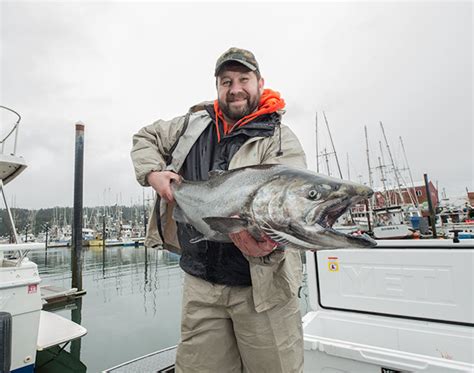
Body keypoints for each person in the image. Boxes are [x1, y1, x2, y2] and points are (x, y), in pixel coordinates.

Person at [131, 47, 307, 373]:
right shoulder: (193, 126)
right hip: (201, 286)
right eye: (226, 81)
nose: (235, 88)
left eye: (243, 79)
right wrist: (155, 175)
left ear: (260, 83)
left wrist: (271, 240)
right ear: (217, 87)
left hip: (263, 289)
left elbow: (291, 206)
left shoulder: (280, 140)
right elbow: (145, 138)